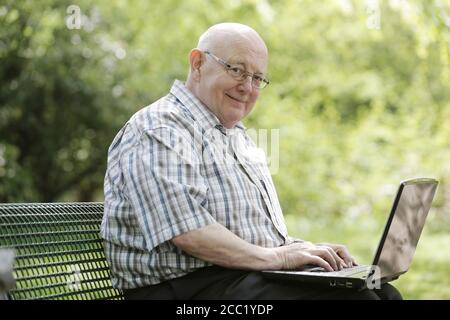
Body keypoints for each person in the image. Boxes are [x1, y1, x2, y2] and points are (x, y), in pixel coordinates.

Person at [100, 22, 402, 300]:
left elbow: (256, 235)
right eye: (237, 70)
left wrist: (308, 252)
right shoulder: (159, 127)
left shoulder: (233, 134)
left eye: (257, 78)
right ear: (198, 63)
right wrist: (281, 258)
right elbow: (187, 232)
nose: (248, 87)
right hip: (185, 290)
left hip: (237, 276)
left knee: (381, 291)